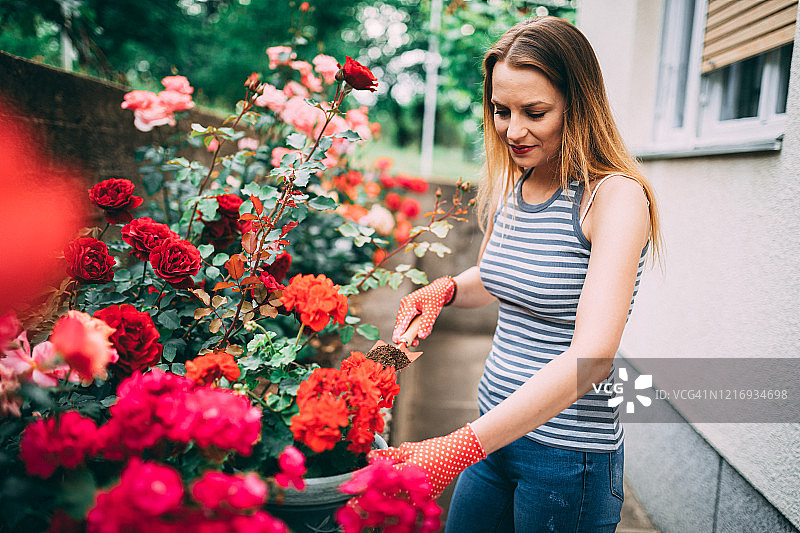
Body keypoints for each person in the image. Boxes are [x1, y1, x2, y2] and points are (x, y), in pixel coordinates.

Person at [370, 16, 662, 533]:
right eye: (502, 111)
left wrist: (457, 446)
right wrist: (447, 289)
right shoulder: (519, 181)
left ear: (579, 103)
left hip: (568, 459)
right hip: (492, 435)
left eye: (536, 112)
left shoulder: (614, 198)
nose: (514, 130)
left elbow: (590, 358)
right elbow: (502, 276)